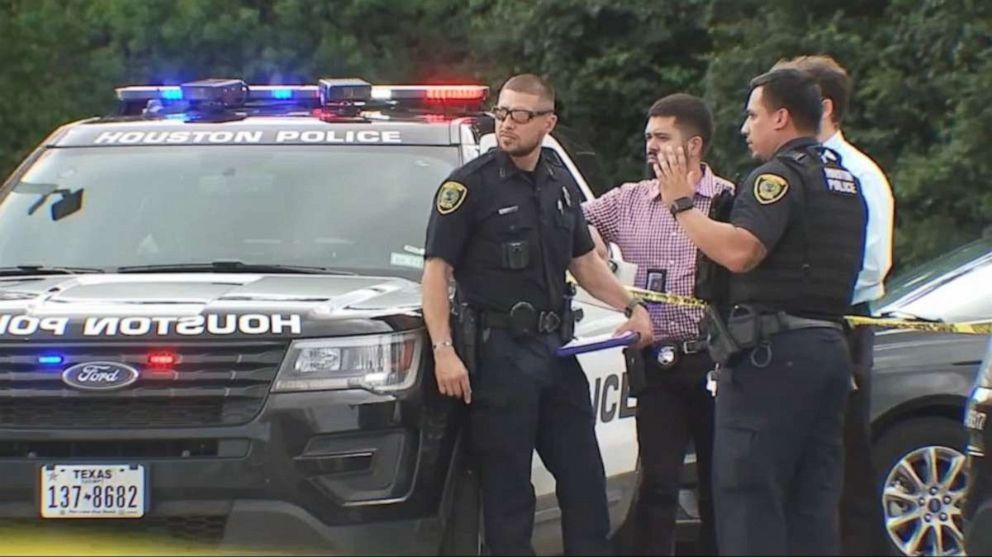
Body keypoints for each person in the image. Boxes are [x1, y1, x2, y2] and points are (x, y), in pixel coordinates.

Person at [421, 73, 654, 556]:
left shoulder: (556, 180)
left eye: (520, 116)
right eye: (501, 113)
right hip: (499, 356)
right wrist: (444, 350)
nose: (506, 125)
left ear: (548, 122)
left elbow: (585, 262)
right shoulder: (469, 186)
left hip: (555, 351)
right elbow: (436, 274)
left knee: (585, 482)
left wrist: (631, 307)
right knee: (509, 496)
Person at [654, 68, 867, 555]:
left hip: (773, 360)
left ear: (781, 117)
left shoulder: (777, 177)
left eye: (752, 116)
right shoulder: (843, 180)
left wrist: (683, 206)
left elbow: (741, 252)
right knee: (812, 503)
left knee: (749, 497)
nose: (745, 127)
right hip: (828, 351)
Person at [582, 93, 733, 556]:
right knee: (658, 485)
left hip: (716, 360)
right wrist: (594, 245)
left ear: (694, 146)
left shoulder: (729, 199)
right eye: (648, 137)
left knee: (720, 486)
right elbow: (570, 225)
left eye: (662, 138)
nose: (650, 147)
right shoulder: (629, 200)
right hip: (657, 362)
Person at [774, 54, 895, 555]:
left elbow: (871, 263)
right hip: (797, 330)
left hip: (840, 326)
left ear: (821, 106)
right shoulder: (788, 169)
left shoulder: (857, 173)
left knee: (842, 460)